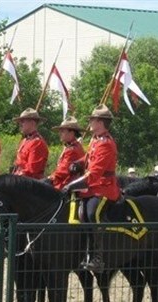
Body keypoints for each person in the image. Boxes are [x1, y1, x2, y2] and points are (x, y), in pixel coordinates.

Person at [63, 104, 120, 272]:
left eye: (92, 120)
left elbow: (94, 173)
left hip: (104, 188)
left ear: (100, 122)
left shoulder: (106, 143)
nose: (90, 123)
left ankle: (98, 257)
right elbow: (88, 160)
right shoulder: (95, 140)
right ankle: (84, 253)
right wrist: (77, 164)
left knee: (91, 212)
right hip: (93, 187)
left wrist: (72, 184)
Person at [47, 116, 85, 190]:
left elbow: (62, 171)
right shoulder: (71, 146)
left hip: (65, 186)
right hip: (62, 183)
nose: (60, 133)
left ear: (72, 132)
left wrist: (49, 178)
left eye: (62, 131)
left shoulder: (73, 150)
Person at [11, 108, 49, 179]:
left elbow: (32, 170)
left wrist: (18, 163)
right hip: (20, 178)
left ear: (32, 123)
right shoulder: (25, 140)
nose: (20, 124)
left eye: (23, 121)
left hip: (29, 183)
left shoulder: (38, 143)